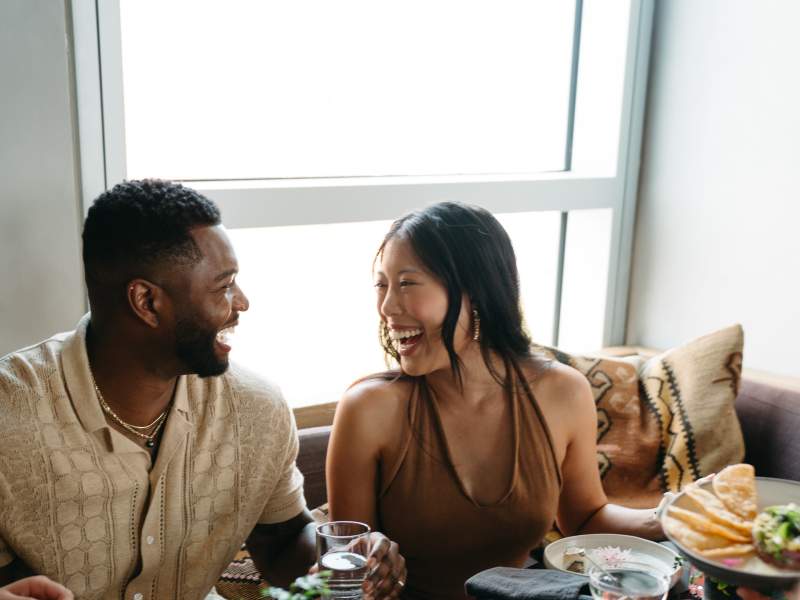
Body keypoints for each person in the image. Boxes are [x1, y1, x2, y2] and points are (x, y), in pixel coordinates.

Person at [0, 180, 403, 600]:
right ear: (147, 302)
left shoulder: (255, 407)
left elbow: (281, 540)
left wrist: (344, 560)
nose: (242, 302)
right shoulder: (10, 414)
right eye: (223, 286)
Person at [326, 202, 666, 600]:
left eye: (407, 283)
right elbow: (346, 570)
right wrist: (371, 559)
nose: (387, 308)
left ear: (475, 292)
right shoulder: (368, 410)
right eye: (382, 285)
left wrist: (673, 514)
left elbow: (586, 517)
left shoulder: (563, 392)